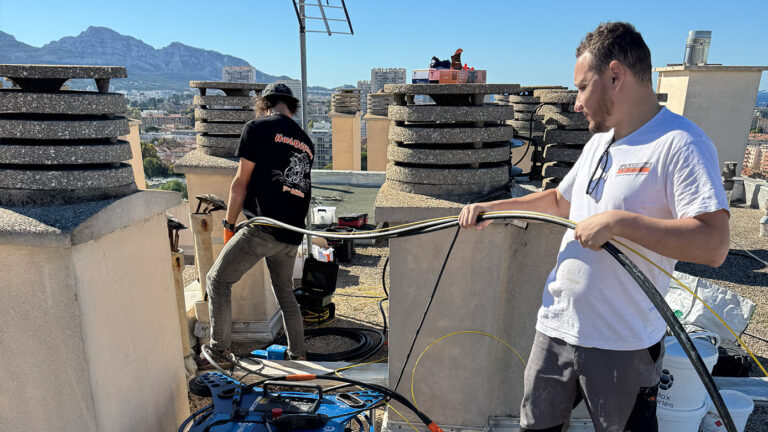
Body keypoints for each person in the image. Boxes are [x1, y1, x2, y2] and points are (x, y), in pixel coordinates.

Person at [459, 22, 729, 431]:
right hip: (556, 327)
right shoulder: (601, 142)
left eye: (583, 87)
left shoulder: (680, 143)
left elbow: (714, 244)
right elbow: (560, 201)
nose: (577, 103)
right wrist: (492, 207)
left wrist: (620, 222)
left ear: (615, 76)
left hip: (623, 345)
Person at [207, 83, 313, 361]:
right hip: (291, 233)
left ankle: (219, 351)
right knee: (286, 295)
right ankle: (298, 355)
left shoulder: (256, 128)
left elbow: (240, 184)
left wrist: (229, 225)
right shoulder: (306, 141)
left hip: (263, 228)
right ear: (292, 107)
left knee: (217, 281)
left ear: (264, 105)